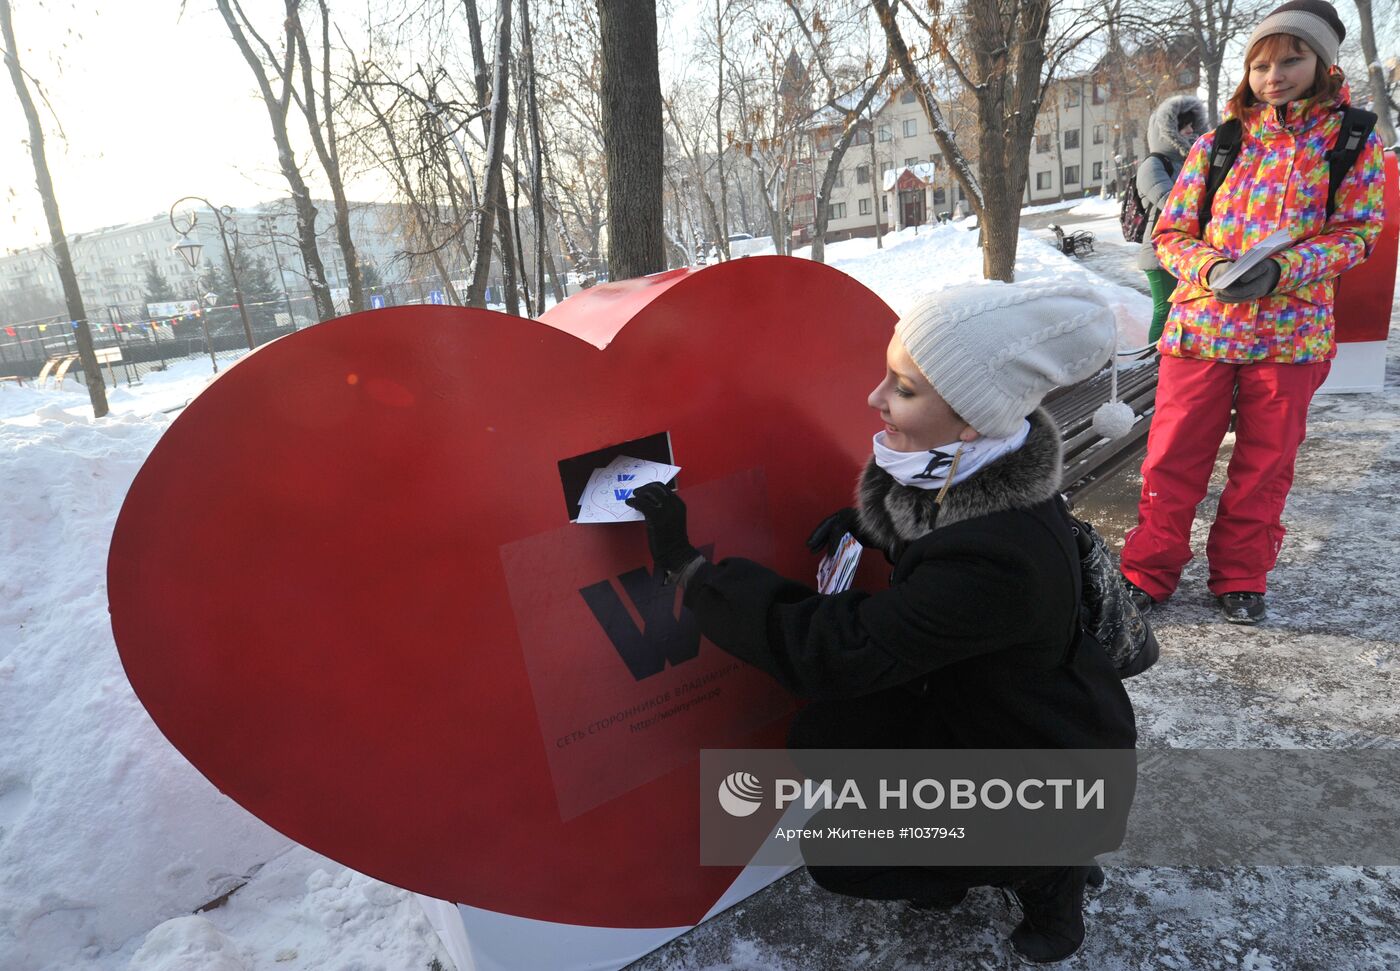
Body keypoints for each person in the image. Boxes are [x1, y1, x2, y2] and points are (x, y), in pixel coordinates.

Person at [625, 282, 1137, 964]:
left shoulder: (996, 557)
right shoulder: (989, 469)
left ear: (970, 420)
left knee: (838, 853)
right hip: (993, 715)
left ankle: (1047, 872)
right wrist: (882, 530)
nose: (875, 398)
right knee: (826, 737)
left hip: (1043, 764)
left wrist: (691, 572)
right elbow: (947, 544)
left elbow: (834, 648)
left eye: (904, 388)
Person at [1119, 0, 1386, 624]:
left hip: (1290, 338)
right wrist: (1210, 269)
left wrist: (1282, 269)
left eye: (1290, 58)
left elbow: (1358, 233)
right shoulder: (1221, 142)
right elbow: (1171, 232)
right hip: (1202, 330)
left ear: (1322, 61)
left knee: (1264, 466)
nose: (1275, 75)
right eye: (1261, 63)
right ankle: (1147, 570)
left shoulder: (1352, 141)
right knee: (1171, 458)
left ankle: (1241, 574)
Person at [1136, 95, 1209, 345]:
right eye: (1184, 126)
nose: (1191, 131)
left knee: (1180, 310)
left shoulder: (1191, 163)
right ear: (1168, 131)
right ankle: (1151, 358)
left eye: (1192, 125)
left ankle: (1167, 354)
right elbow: (1171, 204)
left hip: (1183, 250)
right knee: (1163, 309)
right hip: (1158, 252)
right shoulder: (1154, 164)